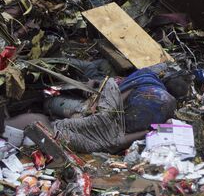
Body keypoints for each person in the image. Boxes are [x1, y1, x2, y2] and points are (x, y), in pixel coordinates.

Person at [4, 63, 193, 153]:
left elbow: (116, 94)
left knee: (47, 120)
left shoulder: (145, 80)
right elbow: (121, 140)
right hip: (108, 134)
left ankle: (8, 125)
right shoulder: (168, 106)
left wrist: (97, 103)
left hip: (100, 116)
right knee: (51, 127)